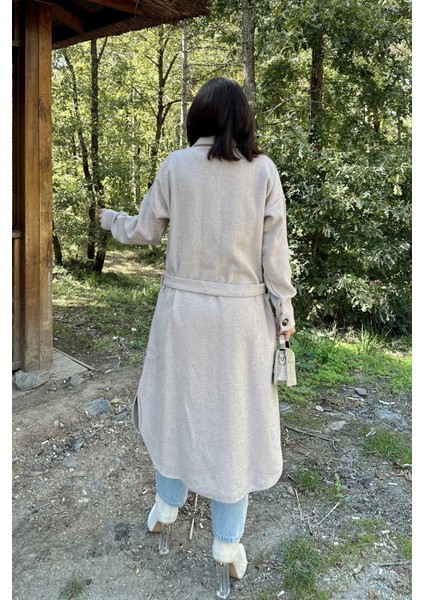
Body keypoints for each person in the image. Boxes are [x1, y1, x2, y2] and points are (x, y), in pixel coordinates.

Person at [99, 76, 296, 598]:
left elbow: (144, 230)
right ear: (243, 121)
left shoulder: (176, 166)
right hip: (241, 321)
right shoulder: (263, 171)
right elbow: (274, 255)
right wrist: (284, 308)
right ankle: (227, 543)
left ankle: (166, 506)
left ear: (199, 118)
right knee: (235, 422)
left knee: (174, 407)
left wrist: (110, 219)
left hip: (182, 314)